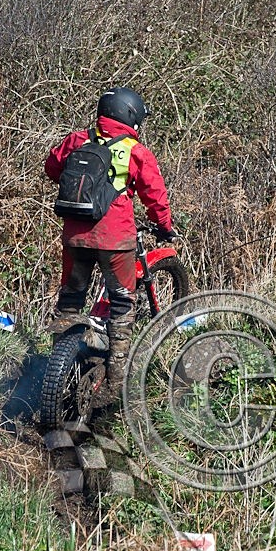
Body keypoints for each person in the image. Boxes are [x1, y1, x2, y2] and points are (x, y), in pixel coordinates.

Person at [44, 86, 177, 393]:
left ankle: (56, 371)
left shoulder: (78, 139)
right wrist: (164, 226)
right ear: (131, 116)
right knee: (121, 303)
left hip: (75, 236)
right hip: (115, 240)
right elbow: (154, 195)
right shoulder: (135, 151)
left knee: (71, 299)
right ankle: (116, 381)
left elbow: (53, 168)